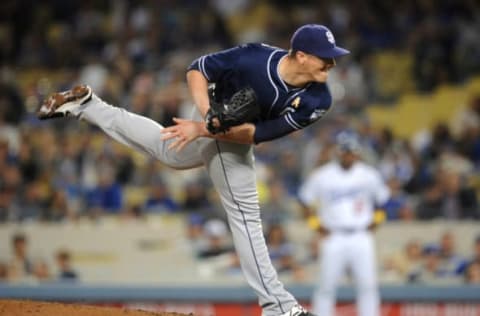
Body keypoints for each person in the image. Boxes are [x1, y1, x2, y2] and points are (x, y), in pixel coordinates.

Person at [37, 24, 350, 316]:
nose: (332, 65)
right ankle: (278, 306)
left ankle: (89, 106)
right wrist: (206, 115)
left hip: (232, 131)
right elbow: (198, 68)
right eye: (326, 59)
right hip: (210, 109)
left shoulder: (319, 99)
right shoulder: (257, 57)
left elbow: (257, 135)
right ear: (302, 55)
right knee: (245, 214)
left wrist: (204, 129)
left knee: (167, 152)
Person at [298, 132, 390, 316]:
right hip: (333, 236)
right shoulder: (323, 175)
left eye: (352, 152)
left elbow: (383, 200)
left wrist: (377, 221)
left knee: (367, 285)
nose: (348, 155)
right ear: (338, 152)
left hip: (361, 234)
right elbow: (305, 201)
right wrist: (316, 225)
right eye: (345, 152)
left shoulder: (368, 174)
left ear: (357, 153)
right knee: (326, 286)